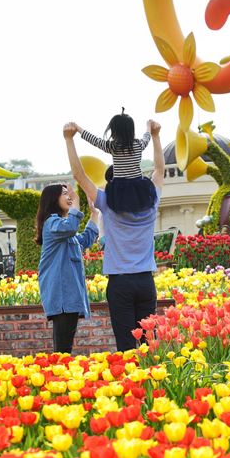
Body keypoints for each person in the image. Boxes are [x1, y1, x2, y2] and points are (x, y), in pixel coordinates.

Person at [63, 120, 164, 353]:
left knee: (126, 347)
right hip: (145, 281)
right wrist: (155, 136)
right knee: (151, 344)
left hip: (119, 283)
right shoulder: (151, 203)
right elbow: (159, 170)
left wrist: (70, 139)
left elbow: (79, 175)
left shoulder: (107, 203)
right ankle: (155, 387)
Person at [35, 182, 100, 354]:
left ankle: (60, 376)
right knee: (63, 350)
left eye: (69, 193)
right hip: (62, 297)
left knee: (64, 348)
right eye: (64, 193)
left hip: (69, 297)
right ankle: (58, 378)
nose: (69, 196)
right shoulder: (52, 223)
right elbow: (71, 227)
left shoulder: (62, 230)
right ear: (53, 199)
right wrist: (77, 202)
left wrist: (94, 215)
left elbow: (84, 240)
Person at [75, 111, 157, 214]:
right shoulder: (138, 145)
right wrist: (148, 126)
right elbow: (147, 137)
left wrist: (78, 129)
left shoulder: (113, 147)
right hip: (138, 186)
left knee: (121, 212)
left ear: (115, 132)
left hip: (119, 189)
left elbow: (94, 140)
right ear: (132, 131)